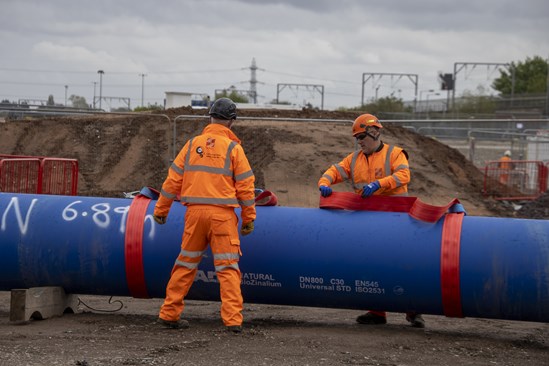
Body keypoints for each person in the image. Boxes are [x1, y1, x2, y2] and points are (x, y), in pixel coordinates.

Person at [153, 97, 256, 333]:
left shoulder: (192, 145)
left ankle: (169, 313)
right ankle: (232, 321)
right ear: (232, 121)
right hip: (222, 217)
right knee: (228, 268)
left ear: (210, 117)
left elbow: (172, 180)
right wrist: (249, 218)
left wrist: (161, 209)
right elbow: (246, 187)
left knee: (185, 263)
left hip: (194, 214)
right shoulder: (234, 149)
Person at [317, 113, 425, 328]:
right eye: (356, 138)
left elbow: (404, 176)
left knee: (402, 265)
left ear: (374, 133)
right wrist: (324, 182)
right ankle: (377, 312)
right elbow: (335, 170)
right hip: (368, 221)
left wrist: (378, 184)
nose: (359, 142)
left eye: (361, 137)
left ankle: (414, 311)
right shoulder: (354, 159)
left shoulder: (395, 154)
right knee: (372, 264)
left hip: (396, 220)